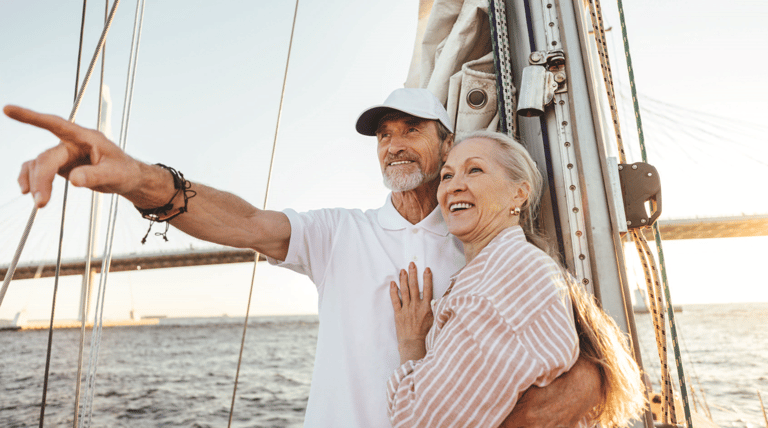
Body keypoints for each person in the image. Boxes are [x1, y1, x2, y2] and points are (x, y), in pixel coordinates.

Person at [5, 88, 602, 427]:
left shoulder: (490, 250)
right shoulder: (341, 233)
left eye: (412, 129)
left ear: (447, 141)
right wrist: (140, 178)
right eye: (383, 134)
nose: (394, 143)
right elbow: (244, 222)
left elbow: (577, 372)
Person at [387, 130, 647, 427]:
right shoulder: (513, 268)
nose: (454, 186)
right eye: (446, 176)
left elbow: (419, 421)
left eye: (474, 170)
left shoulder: (498, 283)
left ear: (519, 193)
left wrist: (411, 343)